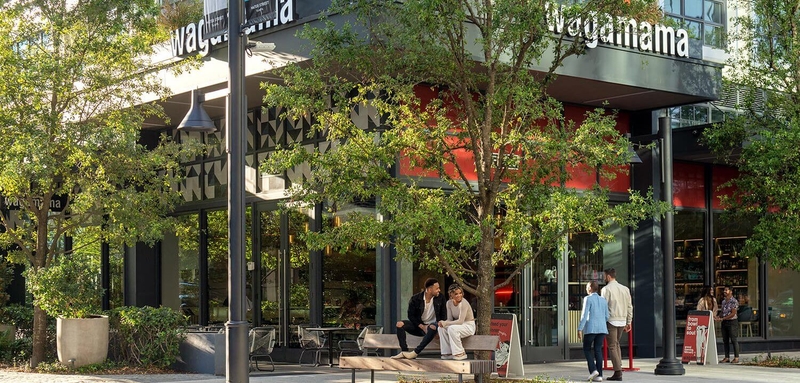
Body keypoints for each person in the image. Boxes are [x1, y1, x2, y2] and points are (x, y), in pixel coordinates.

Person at [391, 278, 447, 359]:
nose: (439, 290)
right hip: (419, 326)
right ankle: (404, 352)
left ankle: (416, 352)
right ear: (430, 289)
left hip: (433, 327)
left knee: (432, 327)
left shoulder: (441, 298)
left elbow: (443, 316)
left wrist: (439, 328)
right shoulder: (415, 299)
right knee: (400, 324)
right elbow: (411, 316)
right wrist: (422, 326)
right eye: (437, 288)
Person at [601, 268, 632, 381]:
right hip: (622, 320)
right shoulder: (625, 289)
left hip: (611, 320)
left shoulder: (606, 289)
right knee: (616, 343)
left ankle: (618, 371)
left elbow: (603, 306)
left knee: (612, 346)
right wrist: (629, 321)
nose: (604, 278)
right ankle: (619, 367)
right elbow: (629, 306)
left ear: (608, 276)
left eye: (604, 276)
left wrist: (602, 320)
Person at [578, 281, 609, 383]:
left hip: (591, 328)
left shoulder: (588, 299)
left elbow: (584, 315)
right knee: (598, 350)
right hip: (602, 329)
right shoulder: (603, 300)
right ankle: (599, 375)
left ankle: (593, 370)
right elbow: (607, 316)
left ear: (590, 288)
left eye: (587, 287)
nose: (586, 289)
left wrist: (580, 328)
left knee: (586, 349)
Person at [438, 284, 475, 360]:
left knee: (452, 329)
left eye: (460, 293)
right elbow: (449, 319)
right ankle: (447, 352)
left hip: (468, 326)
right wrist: (443, 323)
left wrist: (446, 323)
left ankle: (460, 353)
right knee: (441, 328)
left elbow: (460, 321)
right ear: (451, 294)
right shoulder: (449, 303)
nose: (459, 295)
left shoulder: (464, 303)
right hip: (457, 325)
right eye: (456, 294)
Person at [719, 286, 740, 363]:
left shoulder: (734, 301)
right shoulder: (723, 302)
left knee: (734, 339)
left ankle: (736, 357)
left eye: (726, 290)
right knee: (725, 340)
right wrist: (718, 317)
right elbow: (722, 312)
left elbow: (733, 313)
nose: (724, 291)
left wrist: (724, 318)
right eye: (724, 290)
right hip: (724, 322)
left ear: (731, 291)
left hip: (732, 322)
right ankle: (727, 357)